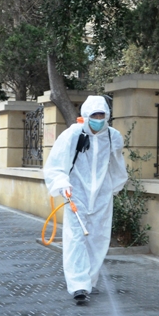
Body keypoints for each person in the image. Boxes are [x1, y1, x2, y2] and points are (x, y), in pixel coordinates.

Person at [43, 96, 128, 304]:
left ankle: (90, 281)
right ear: (86, 116)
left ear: (107, 115)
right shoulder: (73, 134)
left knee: (98, 238)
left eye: (101, 115)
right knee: (76, 239)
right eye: (94, 115)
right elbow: (56, 164)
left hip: (101, 194)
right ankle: (78, 285)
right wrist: (62, 184)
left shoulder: (112, 136)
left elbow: (117, 164)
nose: (98, 119)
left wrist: (116, 186)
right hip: (76, 192)